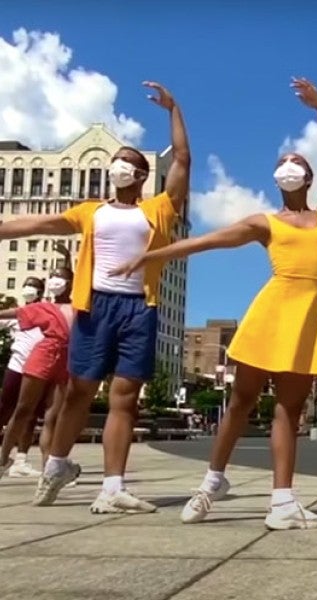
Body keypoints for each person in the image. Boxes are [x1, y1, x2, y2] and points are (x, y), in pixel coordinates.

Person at [112, 78, 317, 530]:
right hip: (270, 314)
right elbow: (208, 241)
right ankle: (211, 482)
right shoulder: (265, 222)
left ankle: (282, 503)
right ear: (275, 180)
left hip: (307, 320)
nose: (288, 166)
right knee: (240, 403)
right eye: (281, 163)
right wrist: (151, 255)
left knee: (289, 410)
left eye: (296, 161)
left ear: (309, 176)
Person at [0, 81, 190, 512]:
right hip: (94, 306)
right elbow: (37, 225)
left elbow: (181, 159)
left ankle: (113, 488)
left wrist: (173, 109)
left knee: (124, 397)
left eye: (126, 163)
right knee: (77, 394)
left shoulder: (157, 209)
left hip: (139, 309)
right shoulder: (91, 211)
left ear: (141, 176)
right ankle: (56, 467)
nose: (118, 167)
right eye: (115, 163)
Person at [0, 264, 75, 479]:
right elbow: (15, 312)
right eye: (52, 276)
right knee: (23, 409)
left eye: (59, 277)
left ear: (70, 283)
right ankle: (3, 459)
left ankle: (48, 471)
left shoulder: (79, 307)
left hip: (66, 361)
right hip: (42, 357)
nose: (54, 280)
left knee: (53, 417)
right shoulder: (43, 307)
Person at [0, 277, 48, 478]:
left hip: (38, 370)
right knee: (4, 409)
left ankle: (21, 460)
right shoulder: (16, 314)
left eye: (34, 286)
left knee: (30, 415)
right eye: (26, 285)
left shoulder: (47, 313)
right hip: (16, 368)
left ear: (41, 292)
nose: (29, 289)